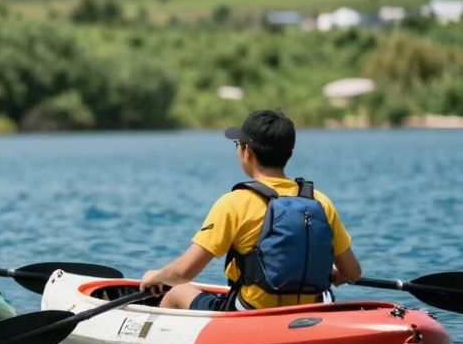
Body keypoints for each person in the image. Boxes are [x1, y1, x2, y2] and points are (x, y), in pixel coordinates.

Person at [140, 109, 361, 311]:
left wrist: (156, 276)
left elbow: (182, 273)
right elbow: (352, 273)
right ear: (288, 153)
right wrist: (325, 272)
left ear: (247, 151)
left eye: (238, 144)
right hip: (309, 313)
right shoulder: (320, 201)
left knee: (178, 290)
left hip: (250, 315)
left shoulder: (236, 202)